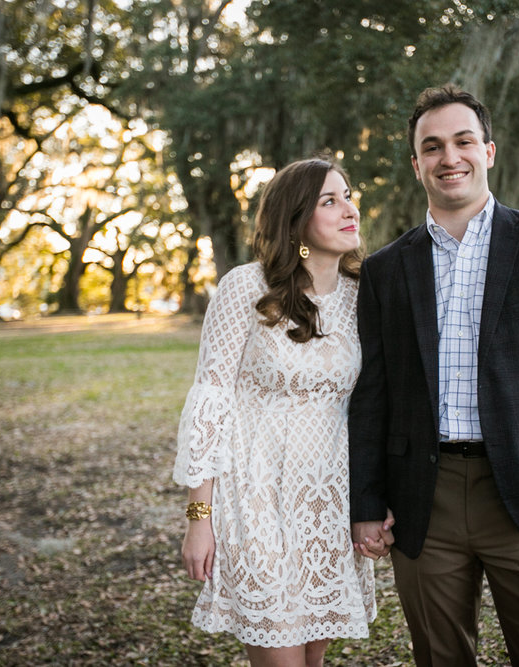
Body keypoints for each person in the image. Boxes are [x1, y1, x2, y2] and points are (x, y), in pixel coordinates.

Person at [348, 84, 519, 666]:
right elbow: (371, 395)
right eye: (432, 146)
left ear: (489, 151)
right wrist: (368, 501)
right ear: (416, 163)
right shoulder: (384, 270)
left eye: (462, 141)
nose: (449, 157)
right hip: (424, 500)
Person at [174, 158, 385, 667]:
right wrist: (199, 518)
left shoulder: (366, 296)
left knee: (312, 660)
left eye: (348, 195)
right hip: (254, 498)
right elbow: (212, 400)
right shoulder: (246, 288)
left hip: (328, 503)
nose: (348, 208)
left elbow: (377, 406)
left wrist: (376, 501)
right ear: (295, 221)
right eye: (328, 201)